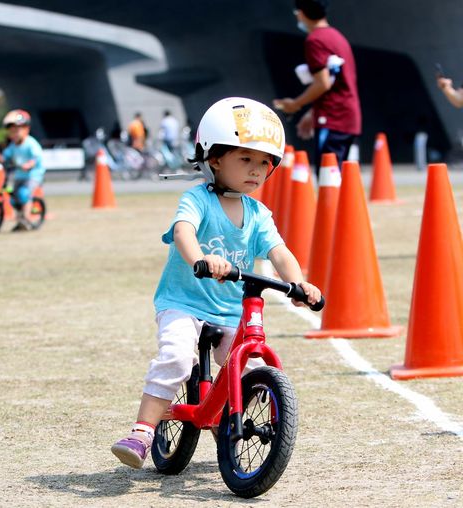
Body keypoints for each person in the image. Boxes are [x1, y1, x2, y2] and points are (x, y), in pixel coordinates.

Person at [110, 98, 321, 469]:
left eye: (264, 163)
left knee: (243, 364)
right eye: (245, 159)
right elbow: (183, 231)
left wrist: (299, 284)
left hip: (229, 308)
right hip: (184, 301)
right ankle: (142, 431)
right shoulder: (197, 200)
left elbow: (280, 252)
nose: (257, 170)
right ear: (214, 158)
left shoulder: (258, 214)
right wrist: (201, 260)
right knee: (177, 357)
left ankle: (228, 418)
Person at [273, 0, 361, 178]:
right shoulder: (337, 37)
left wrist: (295, 104)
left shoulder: (315, 40)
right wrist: (312, 112)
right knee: (337, 177)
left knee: (327, 177)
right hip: (346, 116)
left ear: (301, 13)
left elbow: (323, 83)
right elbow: (337, 83)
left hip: (333, 117)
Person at [1, 109, 46, 232]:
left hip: (33, 174)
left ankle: (26, 220)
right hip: (19, 175)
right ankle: (20, 220)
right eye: (11, 132)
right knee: (13, 198)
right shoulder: (13, 145)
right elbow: (5, 155)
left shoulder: (31, 143)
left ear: (26, 129)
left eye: (17, 131)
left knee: (24, 193)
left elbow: (36, 157)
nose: (14, 134)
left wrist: (30, 164)